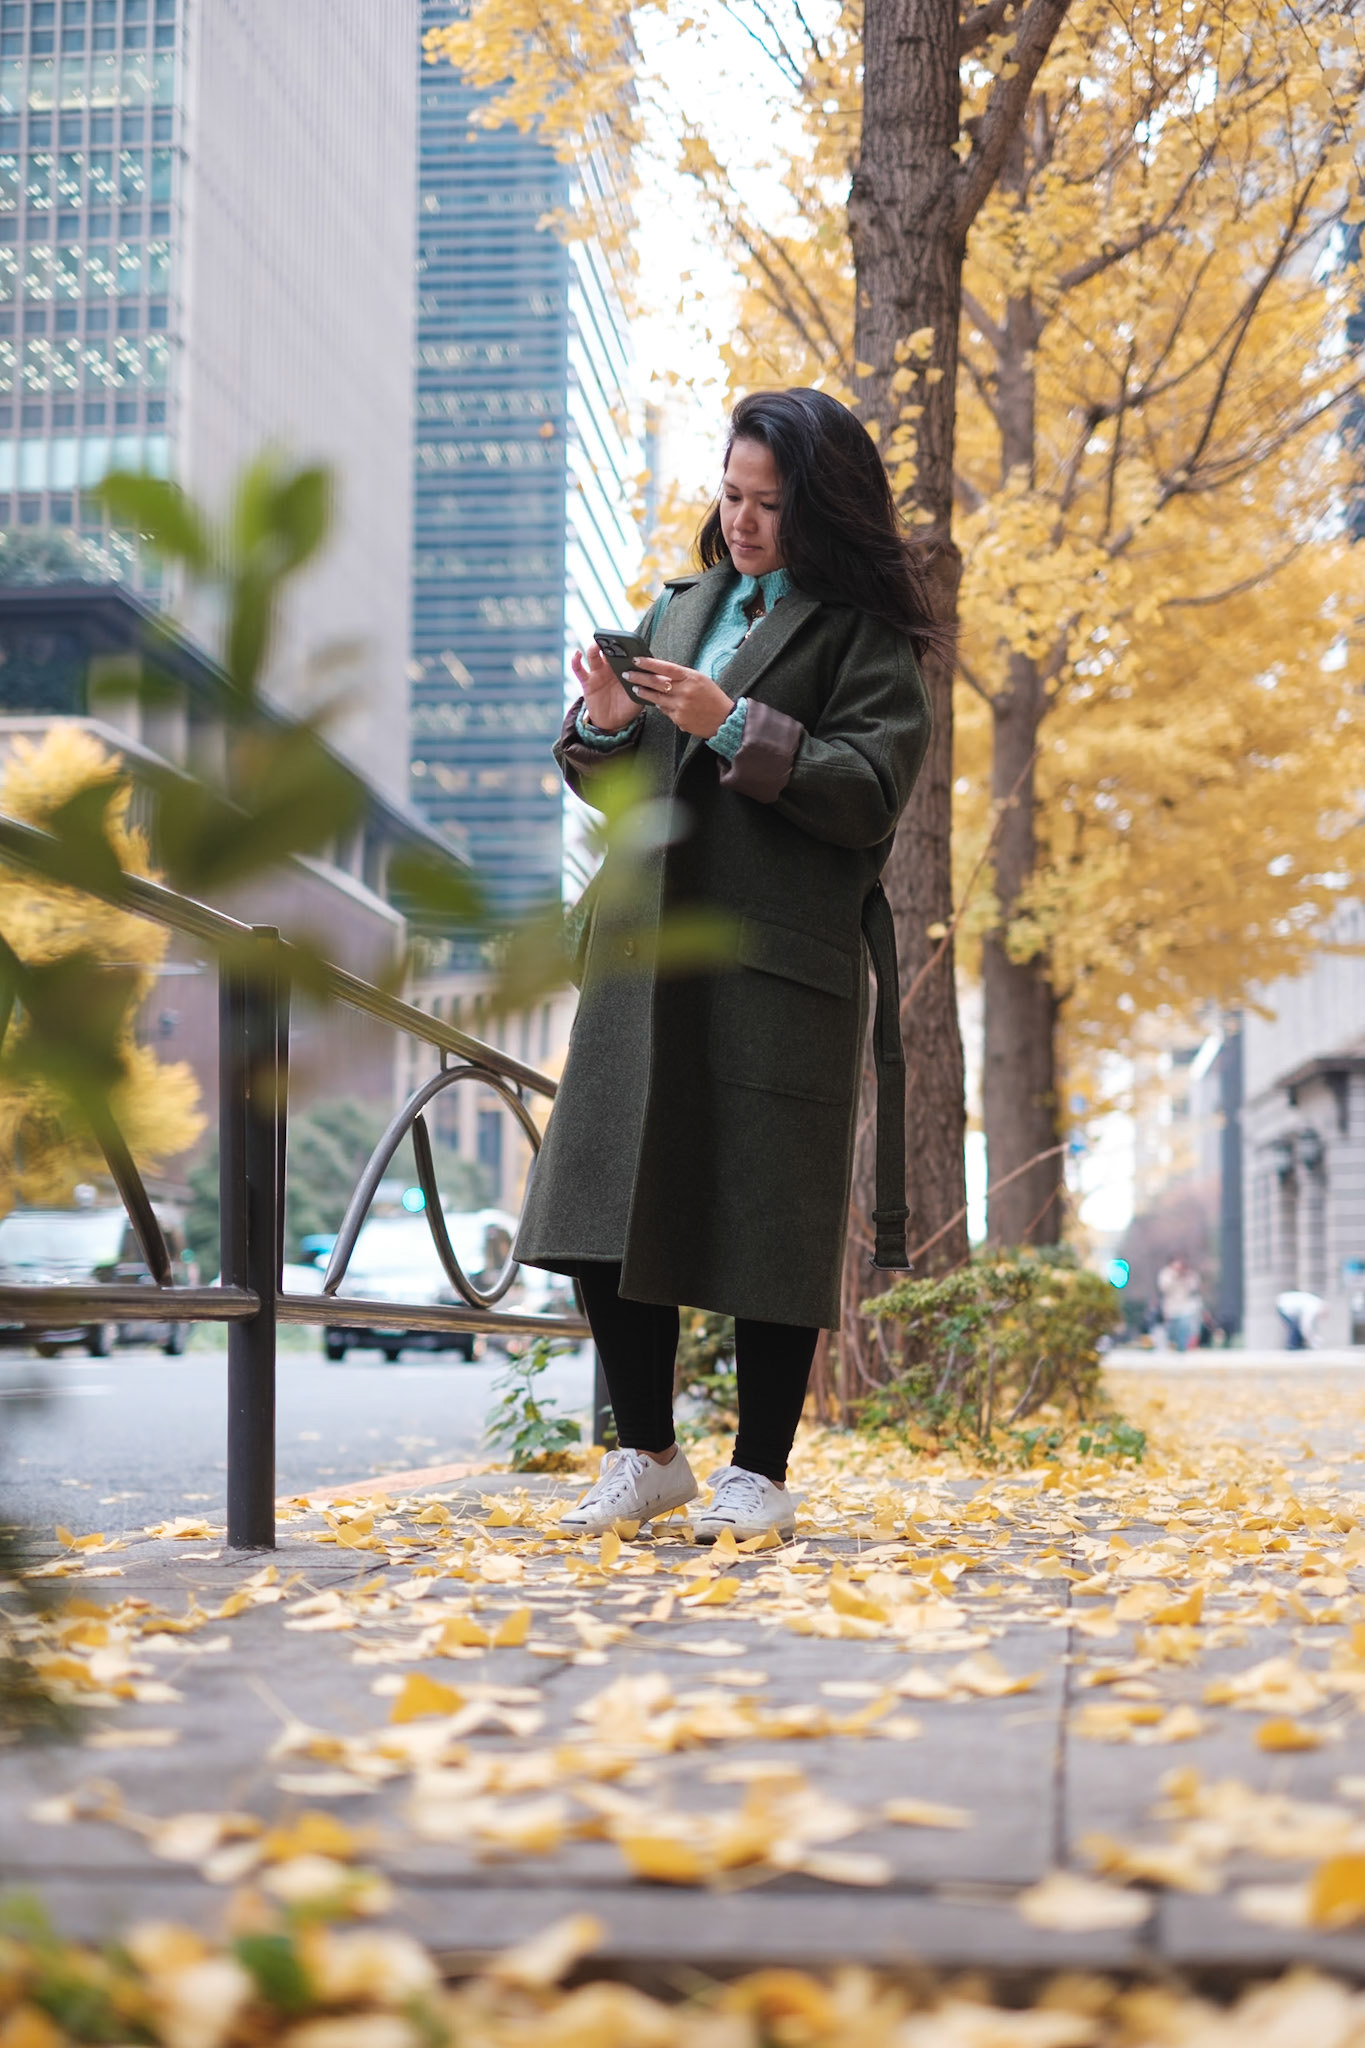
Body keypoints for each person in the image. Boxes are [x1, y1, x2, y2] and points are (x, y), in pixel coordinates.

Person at [514, 387, 942, 1543]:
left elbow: (868, 790)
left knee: (769, 1203)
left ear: (825, 507)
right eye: (733, 495)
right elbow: (624, 784)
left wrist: (729, 720)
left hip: (777, 956)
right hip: (645, 945)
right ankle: (645, 1450)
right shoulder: (681, 606)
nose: (742, 521)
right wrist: (607, 720)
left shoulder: (870, 639)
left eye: (768, 504)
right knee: (602, 1188)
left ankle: (762, 1467)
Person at [1156, 1256, 1203, 1353]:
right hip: (1171, 1308)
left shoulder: (1189, 1274)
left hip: (1185, 1308)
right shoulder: (1166, 1274)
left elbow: (1194, 1288)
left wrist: (1186, 1277)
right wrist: (1175, 1277)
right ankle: (1168, 1349)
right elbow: (1164, 1287)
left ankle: (1182, 1350)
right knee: (1171, 1332)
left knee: (1184, 1329)